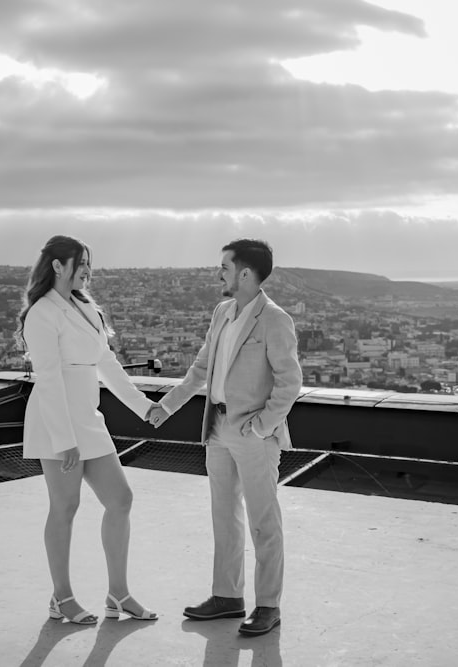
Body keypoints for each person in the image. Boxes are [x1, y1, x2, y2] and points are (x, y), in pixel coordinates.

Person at [147, 238, 302, 637]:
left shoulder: (274, 319)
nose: (219, 273)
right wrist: (166, 406)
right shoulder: (221, 312)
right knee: (224, 517)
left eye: (225, 267)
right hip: (216, 429)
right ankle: (227, 597)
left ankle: (268, 606)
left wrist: (263, 426)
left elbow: (290, 382)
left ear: (245, 274)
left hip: (252, 434)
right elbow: (200, 369)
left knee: (264, 523)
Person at [19, 234, 157, 625]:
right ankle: (61, 598)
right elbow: (47, 380)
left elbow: (107, 365)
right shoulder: (41, 314)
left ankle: (119, 594)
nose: (87, 271)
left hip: (89, 418)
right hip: (54, 420)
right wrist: (65, 441)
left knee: (121, 499)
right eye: (81, 263)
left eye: (89, 264)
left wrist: (144, 408)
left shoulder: (86, 307)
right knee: (65, 507)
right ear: (58, 266)